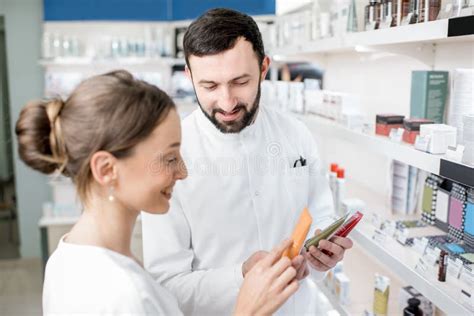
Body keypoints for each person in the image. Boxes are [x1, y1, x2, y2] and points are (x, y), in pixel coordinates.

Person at [15, 70, 300, 315]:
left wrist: (241, 276)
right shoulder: (125, 296)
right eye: (169, 157)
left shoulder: (68, 258)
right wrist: (248, 311)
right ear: (106, 169)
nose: (183, 172)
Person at [141, 8, 354, 316]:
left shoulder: (296, 134)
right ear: (189, 76)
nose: (226, 102)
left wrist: (321, 257)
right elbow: (167, 285)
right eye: (210, 86)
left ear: (264, 68)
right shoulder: (169, 156)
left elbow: (320, 214)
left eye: (240, 82)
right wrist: (242, 275)